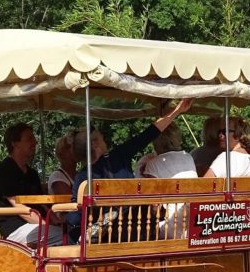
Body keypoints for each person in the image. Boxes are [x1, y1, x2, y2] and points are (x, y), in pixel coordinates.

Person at [67, 99, 193, 242]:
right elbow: (148, 134)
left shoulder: (83, 177)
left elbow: (75, 218)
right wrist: (176, 111)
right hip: (133, 232)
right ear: (95, 145)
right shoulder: (119, 156)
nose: (105, 138)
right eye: (102, 137)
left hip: (105, 239)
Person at [0, 122, 64, 247]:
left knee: (72, 231)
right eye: (30, 138)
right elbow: (19, 208)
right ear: (15, 143)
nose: (35, 142)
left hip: (36, 225)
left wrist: (56, 221)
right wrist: (46, 225)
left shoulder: (32, 173)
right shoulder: (5, 171)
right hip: (16, 230)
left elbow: (42, 204)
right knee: (65, 236)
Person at [47, 129, 79, 196]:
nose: (77, 150)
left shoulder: (81, 174)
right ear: (63, 152)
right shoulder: (57, 176)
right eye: (72, 147)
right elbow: (69, 201)